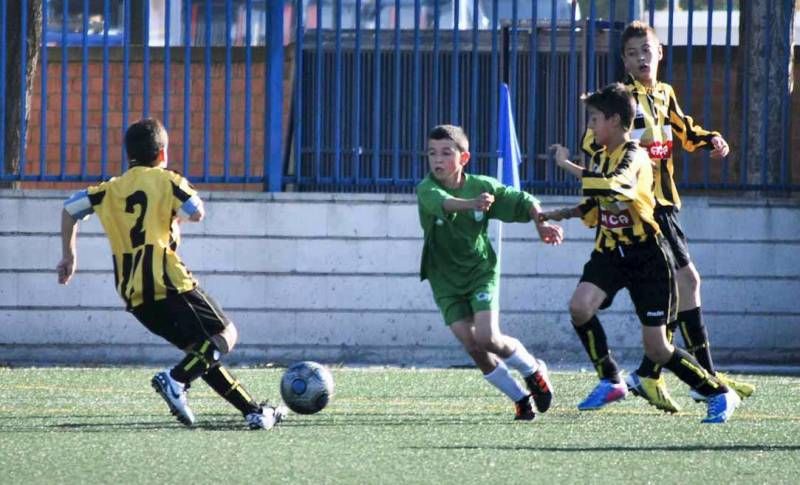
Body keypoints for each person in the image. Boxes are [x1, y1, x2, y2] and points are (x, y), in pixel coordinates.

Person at [56, 118, 286, 430]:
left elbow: (70, 209)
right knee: (225, 335)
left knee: (199, 354)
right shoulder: (169, 181)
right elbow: (197, 212)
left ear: (129, 155)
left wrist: (70, 256)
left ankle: (253, 411)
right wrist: (174, 218)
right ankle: (175, 380)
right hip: (168, 280)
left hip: (132, 293)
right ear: (162, 154)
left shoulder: (108, 190)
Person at [577, 20, 754, 413]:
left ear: (660, 54)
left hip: (667, 205)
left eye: (648, 50)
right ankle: (700, 377)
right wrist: (624, 150)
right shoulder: (622, 100)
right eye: (633, 52)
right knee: (686, 282)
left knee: (684, 286)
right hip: (645, 208)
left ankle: (656, 373)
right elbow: (593, 141)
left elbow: (684, 131)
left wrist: (711, 139)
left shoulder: (663, 94)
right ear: (623, 59)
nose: (642, 57)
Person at [546, 83, 740, 423]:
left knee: (657, 348)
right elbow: (596, 205)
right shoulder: (604, 155)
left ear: (616, 121)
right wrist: (555, 214)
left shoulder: (636, 156)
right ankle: (611, 379)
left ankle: (718, 393)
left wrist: (569, 166)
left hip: (647, 257)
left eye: (594, 119)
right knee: (579, 307)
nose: (589, 128)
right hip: (610, 253)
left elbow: (615, 186)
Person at [416, 124, 563, 421]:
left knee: (488, 337)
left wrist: (541, 223)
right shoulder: (427, 188)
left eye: (446, 152)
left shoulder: (482, 185)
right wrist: (473, 204)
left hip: (479, 272)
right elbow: (445, 203)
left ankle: (532, 370)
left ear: (464, 158)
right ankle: (520, 399)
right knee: (473, 346)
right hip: (443, 279)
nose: (437, 160)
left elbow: (523, 201)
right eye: (432, 153)